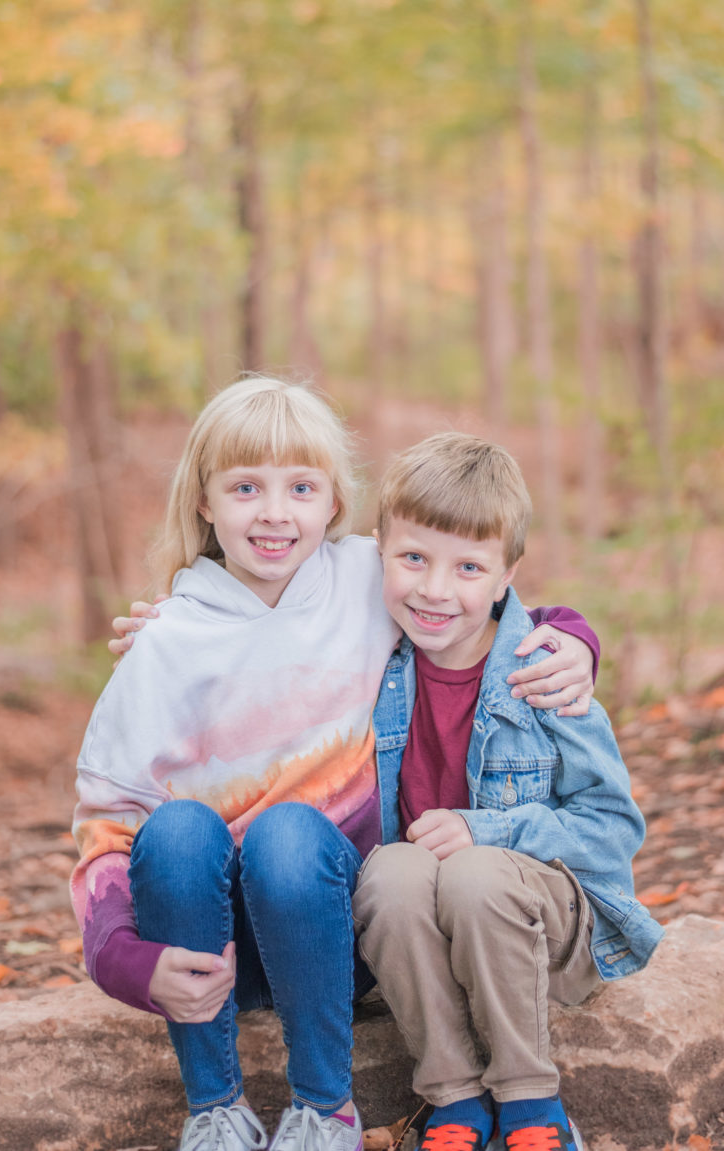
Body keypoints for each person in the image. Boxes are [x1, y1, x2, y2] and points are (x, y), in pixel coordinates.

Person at [72, 376, 599, 1151]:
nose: (275, 511)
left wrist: (577, 637)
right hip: (213, 948)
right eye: (246, 486)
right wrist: (124, 957)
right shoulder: (166, 641)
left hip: (338, 933)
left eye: (301, 486)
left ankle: (325, 1109)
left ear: (333, 503)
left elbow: (479, 598)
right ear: (205, 502)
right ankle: (214, 1109)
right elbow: (106, 820)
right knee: (177, 828)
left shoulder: (363, 577)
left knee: (289, 829)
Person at [351, 433, 665, 1151]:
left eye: (467, 566)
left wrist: (487, 830)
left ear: (505, 576)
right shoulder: (370, 657)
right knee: (390, 870)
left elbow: (612, 829)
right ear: (379, 550)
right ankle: (454, 1100)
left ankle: (531, 1106)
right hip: (426, 920)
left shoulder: (547, 673)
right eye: (413, 558)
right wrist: (174, 622)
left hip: (544, 920)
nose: (434, 588)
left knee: (474, 868)